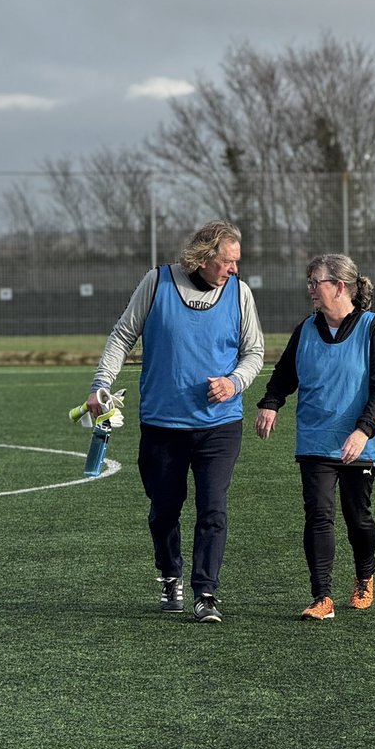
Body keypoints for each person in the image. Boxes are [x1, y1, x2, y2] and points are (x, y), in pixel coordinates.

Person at [86, 221, 264, 624]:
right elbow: (122, 336)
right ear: (203, 257)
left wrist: (234, 383)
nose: (234, 269)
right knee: (164, 508)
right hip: (163, 425)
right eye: (228, 261)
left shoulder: (240, 294)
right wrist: (101, 384)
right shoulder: (157, 282)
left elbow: (254, 352)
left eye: (237, 262)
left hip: (220, 425)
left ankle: (206, 593)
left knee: (213, 508)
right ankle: (169, 575)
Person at [255, 253, 375, 620]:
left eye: (316, 282)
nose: (311, 289)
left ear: (340, 286)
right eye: (310, 282)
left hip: (358, 443)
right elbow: (285, 374)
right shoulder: (305, 329)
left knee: (357, 517)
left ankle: (365, 574)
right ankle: (322, 597)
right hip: (315, 438)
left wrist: (363, 432)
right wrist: (271, 402)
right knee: (318, 514)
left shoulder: (373, 328)